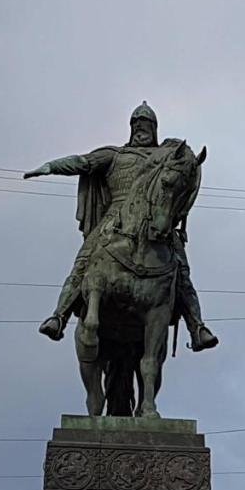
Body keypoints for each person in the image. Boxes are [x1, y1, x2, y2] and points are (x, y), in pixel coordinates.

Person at [24, 101, 218, 352]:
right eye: (136, 124)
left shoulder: (167, 156)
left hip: (157, 220)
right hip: (114, 219)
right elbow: (83, 162)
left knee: (181, 270)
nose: (140, 128)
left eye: (145, 124)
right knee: (83, 262)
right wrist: (50, 166)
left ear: (154, 128)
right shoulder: (114, 155)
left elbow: (188, 174)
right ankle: (58, 316)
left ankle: (197, 326)